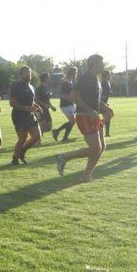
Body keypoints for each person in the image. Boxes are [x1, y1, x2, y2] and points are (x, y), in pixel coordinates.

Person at [56, 54, 114, 182]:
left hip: (94, 115)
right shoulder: (84, 78)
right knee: (95, 148)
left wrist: (106, 107)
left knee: (101, 147)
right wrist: (89, 110)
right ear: (94, 65)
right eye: (101, 63)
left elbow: (96, 99)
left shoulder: (96, 79)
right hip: (84, 116)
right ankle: (64, 157)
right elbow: (73, 97)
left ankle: (86, 175)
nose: (103, 66)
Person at [10, 66, 42, 165]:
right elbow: (12, 103)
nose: (29, 74)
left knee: (37, 136)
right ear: (21, 74)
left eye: (30, 73)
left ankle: (22, 152)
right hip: (19, 116)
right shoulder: (17, 86)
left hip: (30, 115)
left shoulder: (31, 86)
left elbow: (31, 101)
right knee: (22, 138)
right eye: (26, 72)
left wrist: (37, 106)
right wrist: (25, 108)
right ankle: (15, 159)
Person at [52, 67, 78, 142]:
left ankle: (62, 136)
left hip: (70, 104)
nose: (76, 74)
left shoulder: (70, 82)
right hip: (65, 105)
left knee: (73, 122)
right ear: (72, 73)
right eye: (75, 72)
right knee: (72, 121)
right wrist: (70, 98)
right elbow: (62, 94)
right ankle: (58, 132)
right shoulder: (65, 83)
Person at [101, 70, 113, 137]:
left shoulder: (107, 83)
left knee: (109, 116)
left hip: (105, 103)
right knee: (108, 116)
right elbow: (100, 93)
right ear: (105, 76)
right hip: (102, 103)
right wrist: (103, 103)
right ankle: (106, 133)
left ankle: (106, 133)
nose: (110, 76)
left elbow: (107, 91)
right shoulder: (102, 84)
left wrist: (110, 92)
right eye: (109, 75)